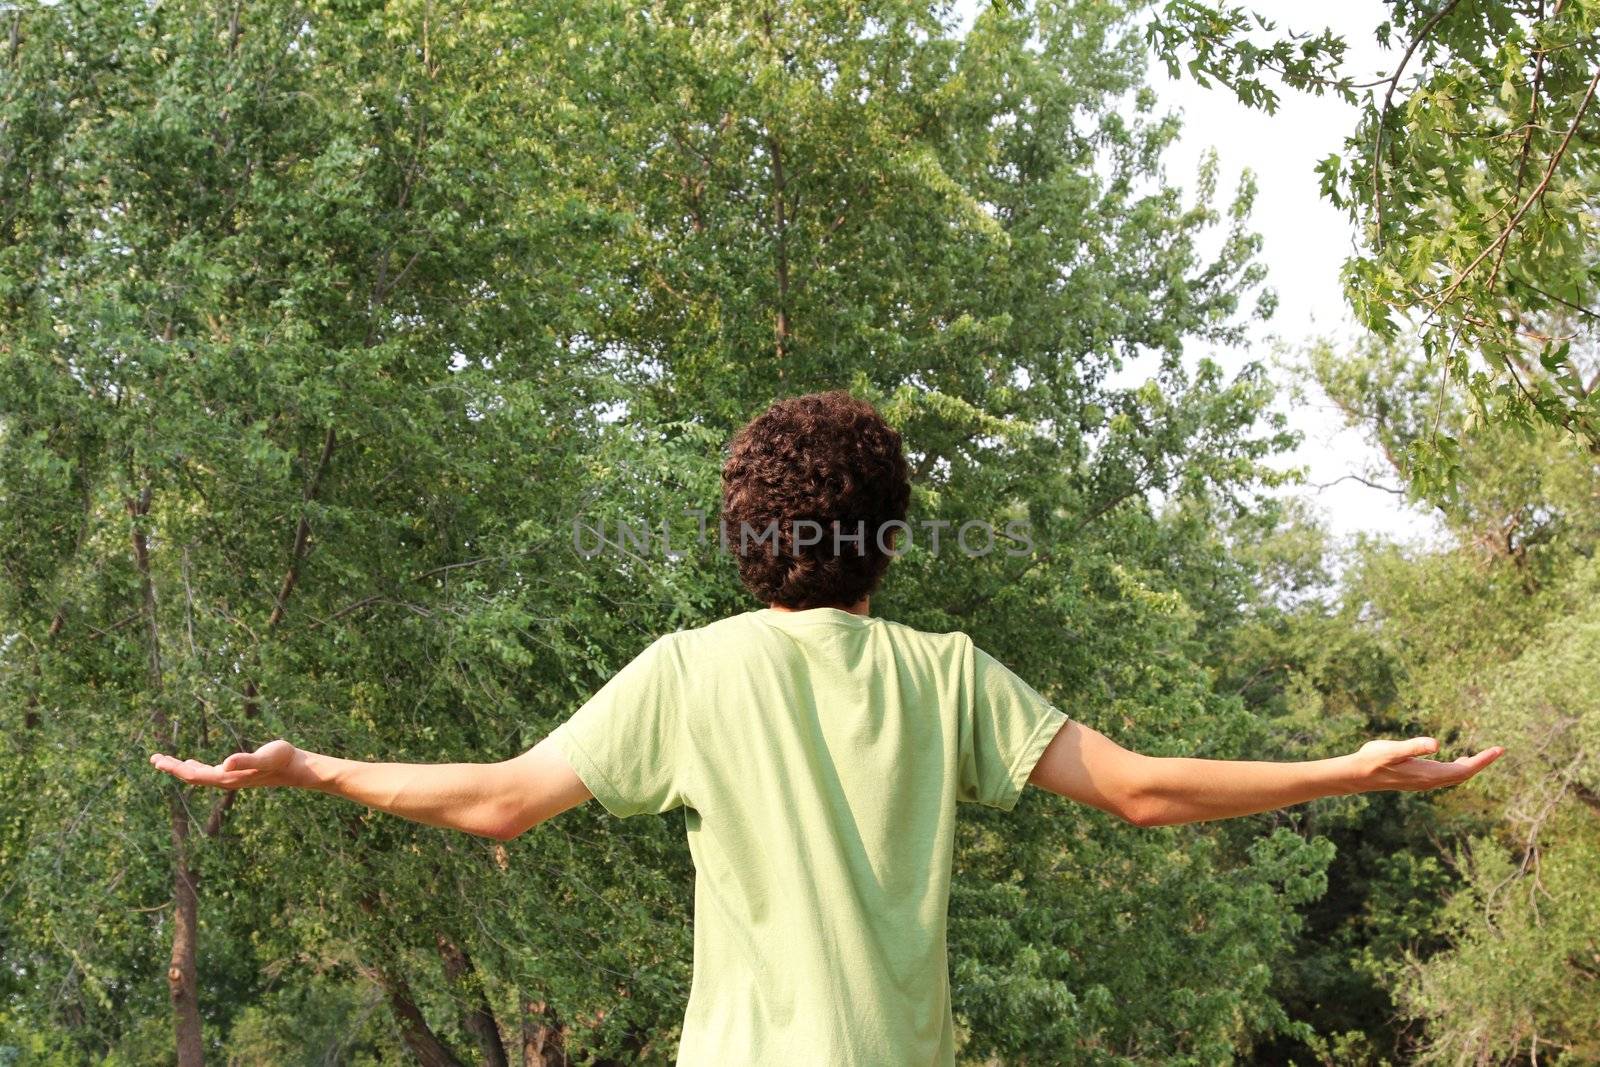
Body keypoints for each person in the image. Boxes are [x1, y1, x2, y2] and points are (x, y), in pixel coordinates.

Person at [150, 390, 1504, 1065]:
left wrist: (315, 767)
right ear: (889, 534)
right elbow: (1146, 792)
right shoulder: (948, 673)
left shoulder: (691, 672)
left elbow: (501, 801)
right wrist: (1351, 767)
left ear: (745, 535)